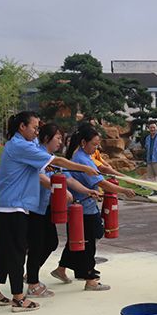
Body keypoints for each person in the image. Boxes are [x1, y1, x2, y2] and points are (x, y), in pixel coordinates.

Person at [0, 112, 99, 313]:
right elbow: (58, 163)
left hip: (10, 204)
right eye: (35, 128)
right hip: (13, 205)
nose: (37, 132)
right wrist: (85, 169)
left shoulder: (22, 145)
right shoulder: (21, 146)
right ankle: (19, 298)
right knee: (16, 251)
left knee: (5, 249)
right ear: (22, 127)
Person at [53, 123, 136, 291]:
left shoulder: (83, 156)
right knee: (89, 241)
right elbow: (102, 183)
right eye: (94, 144)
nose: (96, 147)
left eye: (98, 144)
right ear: (83, 142)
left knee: (81, 239)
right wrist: (124, 190)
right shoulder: (82, 159)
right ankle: (90, 278)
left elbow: (103, 170)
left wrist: (125, 178)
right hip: (83, 209)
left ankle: (63, 268)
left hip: (85, 207)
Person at [25, 123, 101, 298]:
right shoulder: (38, 155)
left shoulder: (50, 157)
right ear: (46, 139)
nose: (60, 142)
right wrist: (59, 188)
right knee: (37, 245)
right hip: (35, 207)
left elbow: (69, 180)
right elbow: (40, 178)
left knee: (50, 242)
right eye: (58, 138)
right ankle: (32, 281)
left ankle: (31, 275)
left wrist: (86, 191)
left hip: (47, 208)